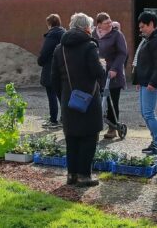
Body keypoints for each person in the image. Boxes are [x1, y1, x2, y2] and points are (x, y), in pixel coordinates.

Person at [51, 13, 105, 187]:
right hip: (88, 99)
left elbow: (54, 79)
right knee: (89, 137)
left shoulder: (60, 48)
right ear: (87, 28)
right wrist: (103, 66)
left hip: (68, 98)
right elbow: (97, 72)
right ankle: (84, 176)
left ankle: (71, 175)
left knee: (71, 138)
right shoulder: (89, 46)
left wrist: (62, 96)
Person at [132, 11, 157, 155]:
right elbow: (142, 61)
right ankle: (155, 142)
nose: (140, 30)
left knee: (148, 113)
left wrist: (153, 82)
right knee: (145, 113)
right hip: (144, 81)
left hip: (150, 83)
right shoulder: (149, 38)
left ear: (152, 24)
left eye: (143, 27)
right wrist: (139, 80)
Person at [93, 13, 128, 139]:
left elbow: (122, 53)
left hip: (113, 74)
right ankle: (95, 127)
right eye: (106, 23)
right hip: (98, 73)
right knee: (97, 101)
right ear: (99, 25)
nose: (109, 24)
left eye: (110, 21)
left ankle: (112, 127)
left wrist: (114, 68)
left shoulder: (117, 35)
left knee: (112, 101)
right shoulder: (93, 35)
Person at [37, 14, 65, 128]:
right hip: (63, 69)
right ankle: (65, 118)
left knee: (52, 95)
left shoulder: (51, 35)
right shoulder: (64, 34)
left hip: (51, 69)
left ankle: (53, 120)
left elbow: (45, 52)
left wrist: (40, 61)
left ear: (49, 24)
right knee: (62, 95)